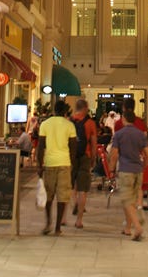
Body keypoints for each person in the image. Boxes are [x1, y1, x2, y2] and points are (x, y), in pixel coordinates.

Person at [109, 106, 148, 240]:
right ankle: (128, 226)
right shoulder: (140, 134)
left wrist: (110, 169)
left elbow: (114, 154)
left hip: (126, 170)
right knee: (134, 197)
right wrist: (144, 165)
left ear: (124, 119)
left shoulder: (119, 134)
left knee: (126, 200)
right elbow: (147, 154)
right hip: (138, 170)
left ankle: (137, 227)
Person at [37, 100, 77, 236]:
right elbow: (73, 148)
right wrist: (72, 164)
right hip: (64, 163)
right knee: (62, 196)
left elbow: (40, 146)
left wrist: (39, 164)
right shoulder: (69, 125)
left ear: (54, 110)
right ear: (65, 111)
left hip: (49, 163)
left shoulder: (45, 124)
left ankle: (48, 222)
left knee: (49, 195)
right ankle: (58, 228)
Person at [70, 99, 97, 228]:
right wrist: (93, 159)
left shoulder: (69, 121)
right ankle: (79, 220)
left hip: (71, 157)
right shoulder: (90, 123)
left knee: (70, 186)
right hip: (85, 156)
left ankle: (64, 217)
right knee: (83, 189)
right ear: (85, 108)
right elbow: (93, 143)